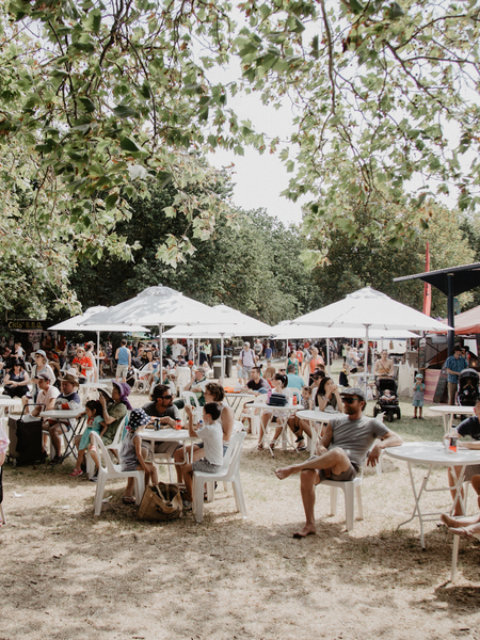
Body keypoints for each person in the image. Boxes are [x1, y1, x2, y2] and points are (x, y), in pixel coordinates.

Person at [275, 386, 403, 538]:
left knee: (337, 453)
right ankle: (310, 524)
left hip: (347, 468)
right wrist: (321, 449)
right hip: (326, 465)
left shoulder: (371, 424)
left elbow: (397, 438)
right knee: (307, 473)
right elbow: (322, 444)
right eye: (344, 400)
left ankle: (294, 468)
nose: (346, 404)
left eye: (350, 400)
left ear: (361, 404)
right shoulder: (335, 421)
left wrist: (380, 445)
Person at [181, 402, 224, 507]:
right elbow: (203, 432)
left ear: (208, 416)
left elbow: (191, 434)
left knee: (185, 468)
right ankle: (193, 492)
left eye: (203, 413)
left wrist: (190, 416)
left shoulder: (209, 429)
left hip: (212, 465)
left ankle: (191, 499)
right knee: (190, 464)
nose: (202, 416)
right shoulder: (216, 425)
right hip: (216, 463)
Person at [447, 398, 480, 515]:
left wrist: (463, 444)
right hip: (476, 463)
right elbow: (454, 433)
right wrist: (451, 436)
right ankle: (458, 511)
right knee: (453, 469)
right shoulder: (472, 422)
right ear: (475, 410)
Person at [119, 408, 158, 504]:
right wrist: (145, 467)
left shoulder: (129, 433)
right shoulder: (137, 437)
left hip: (125, 462)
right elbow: (139, 454)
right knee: (153, 469)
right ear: (141, 424)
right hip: (130, 465)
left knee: (149, 464)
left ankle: (134, 493)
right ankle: (157, 492)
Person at [43, 371, 82, 463]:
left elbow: (72, 406)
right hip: (55, 419)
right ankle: (42, 450)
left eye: (66, 385)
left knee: (53, 430)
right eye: (62, 384)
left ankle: (58, 455)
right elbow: (54, 406)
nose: (63, 387)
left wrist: (60, 406)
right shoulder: (60, 396)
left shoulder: (75, 396)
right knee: (37, 426)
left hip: (67, 422)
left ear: (72, 385)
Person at [70, 400, 104, 478]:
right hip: (86, 435)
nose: (86, 411)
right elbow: (83, 415)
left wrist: (101, 435)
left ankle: (78, 468)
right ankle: (79, 467)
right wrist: (81, 413)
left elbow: (105, 426)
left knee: (81, 451)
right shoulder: (89, 416)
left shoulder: (98, 418)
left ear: (94, 411)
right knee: (80, 451)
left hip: (91, 434)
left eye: (87, 410)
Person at [258, 373, 289, 451]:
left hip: (282, 414)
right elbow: (267, 402)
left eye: (273, 379)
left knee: (281, 419)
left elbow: (286, 403)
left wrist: (279, 388)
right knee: (265, 414)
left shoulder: (286, 391)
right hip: (272, 414)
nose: (271, 381)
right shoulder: (270, 391)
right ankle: (260, 440)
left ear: (278, 381)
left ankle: (273, 441)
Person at [98, 381, 131, 445]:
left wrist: (104, 405)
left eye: (115, 392)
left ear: (121, 395)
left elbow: (108, 421)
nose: (112, 393)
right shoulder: (114, 404)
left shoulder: (121, 407)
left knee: (83, 442)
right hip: (103, 433)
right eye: (113, 391)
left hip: (109, 437)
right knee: (77, 438)